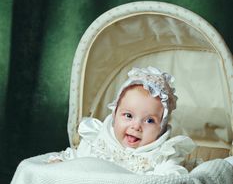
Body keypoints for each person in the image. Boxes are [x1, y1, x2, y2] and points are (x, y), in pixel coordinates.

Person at [48, 66, 197, 175]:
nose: (136, 126)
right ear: (114, 114)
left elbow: (172, 177)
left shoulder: (162, 155)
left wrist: (160, 177)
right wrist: (62, 163)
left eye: (150, 121)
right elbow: (78, 159)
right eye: (128, 116)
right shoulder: (98, 140)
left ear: (161, 128)